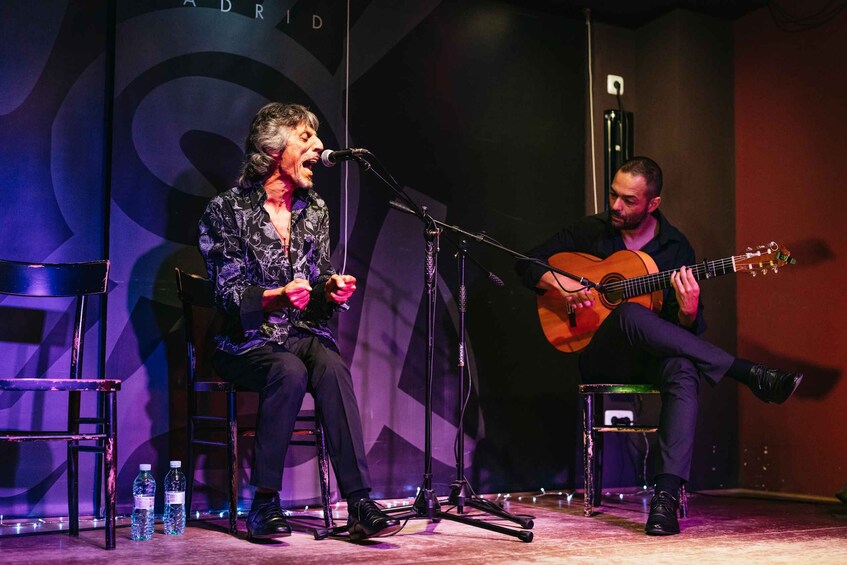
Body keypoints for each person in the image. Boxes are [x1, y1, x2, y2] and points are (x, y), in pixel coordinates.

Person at [515, 156, 802, 536]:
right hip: (600, 356)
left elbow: (684, 331)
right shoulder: (591, 231)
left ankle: (665, 498)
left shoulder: (675, 247)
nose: (616, 206)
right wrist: (560, 284)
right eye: (614, 195)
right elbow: (525, 262)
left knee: (683, 369)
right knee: (629, 316)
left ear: (653, 203)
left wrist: (688, 310)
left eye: (628, 200)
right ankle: (747, 372)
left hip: (649, 358)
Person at [198, 102, 401, 541]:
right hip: (243, 343)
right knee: (287, 371)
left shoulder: (316, 209)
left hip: (301, 334)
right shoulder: (226, 211)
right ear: (273, 148)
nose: (320, 147)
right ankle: (265, 503)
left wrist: (331, 289)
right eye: (306, 138)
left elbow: (316, 282)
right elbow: (228, 296)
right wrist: (275, 297)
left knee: (330, 364)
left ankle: (360, 503)